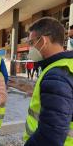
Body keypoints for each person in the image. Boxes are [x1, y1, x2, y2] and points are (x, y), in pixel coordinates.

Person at [23, 17, 73, 146]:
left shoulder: (56, 75)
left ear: (43, 41)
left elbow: (51, 135)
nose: (30, 47)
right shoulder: (67, 66)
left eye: (32, 42)